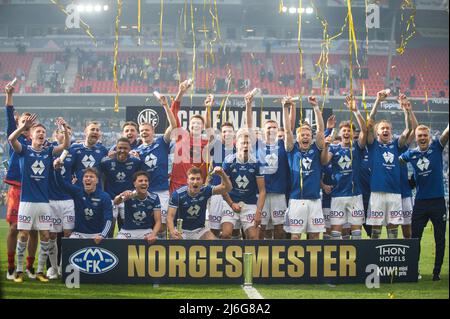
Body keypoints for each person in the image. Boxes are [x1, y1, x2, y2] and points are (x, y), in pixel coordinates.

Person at [8, 114, 70, 283]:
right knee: (23, 234)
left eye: (43, 132)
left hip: (44, 202)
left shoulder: (48, 151)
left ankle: (41, 271)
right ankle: (19, 271)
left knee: (44, 235)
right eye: (38, 131)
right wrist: (23, 127)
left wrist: (64, 127)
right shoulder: (24, 150)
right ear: (32, 135)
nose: (41, 134)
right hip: (27, 201)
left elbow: (65, 145)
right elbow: (11, 139)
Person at [400, 124, 449, 281]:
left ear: (429, 137)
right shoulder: (410, 154)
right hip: (420, 202)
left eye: (424, 135)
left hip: (438, 202)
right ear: (415, 137)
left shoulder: (437, 147)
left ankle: (436, 273)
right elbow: (397, 162)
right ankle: (414, 270)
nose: (422, 138)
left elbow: (446, 132)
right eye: (419, 135)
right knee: (415, 239)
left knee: (440, 238)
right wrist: (410, 180)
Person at [366, 91, 415, 239]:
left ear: (391, 131)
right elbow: (370, 122)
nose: (386, 130)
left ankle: (389, 260)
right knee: (376, 231)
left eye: (388, 128)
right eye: (383, 128)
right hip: (377, 193)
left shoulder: (396, 145)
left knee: (393, 231)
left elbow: (408, 130)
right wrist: (377, 101)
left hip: (395, 193)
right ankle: (375, 257)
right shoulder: (373, 145)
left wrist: (406, 111)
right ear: (377, 132)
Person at [3, 83, 38, 280]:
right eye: (23, 121)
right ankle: (10, 266)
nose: (26, 124)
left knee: (33, 230)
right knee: (15, 228)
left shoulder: (37, 142)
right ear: (18, 124)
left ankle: (30, 266)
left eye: (29, 122)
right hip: (17, 188)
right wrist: (9, 95)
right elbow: (9, 114)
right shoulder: (14, 138)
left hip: (34, 188)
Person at [321, 95, 367, 240]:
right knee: (335, 233)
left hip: (355, 195)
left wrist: (356, 111)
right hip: (338, 195)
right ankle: (336, 261)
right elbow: (323, 162)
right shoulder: (334, 149)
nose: (346, 133)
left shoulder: (358, 148)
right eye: (344, 131)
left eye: (349, 131)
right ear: (340, 134)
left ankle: (358, 259)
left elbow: (365, 130)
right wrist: (326, 145)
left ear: (353, 134)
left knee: (356, 233)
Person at [245, 92, 289, 239]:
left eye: (274, 127)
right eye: (268, 127)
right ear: (263, 130)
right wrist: (248, 104)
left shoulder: (283, 144)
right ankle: (261, 257)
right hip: (260, 194)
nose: (271, 129)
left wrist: (286, 108)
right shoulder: (257, 144)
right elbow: (249, 127)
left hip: (278, 193)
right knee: (261, 229)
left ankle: (278, 259)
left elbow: (289, 128)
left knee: (279, 230)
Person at [283, 96, 326, 240]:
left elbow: (320, 130)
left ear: (311, 137)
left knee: (314, 237)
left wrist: (315, 107)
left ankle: (312, 263)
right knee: (295, 237)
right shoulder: (292, 149)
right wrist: (285, 108)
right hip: (296, 200)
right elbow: (287, 130)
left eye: (308, 135)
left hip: (314, 199)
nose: (305, 137)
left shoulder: (316, 148)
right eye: (302, 135)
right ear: (298, 137)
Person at [136, 93, 177, 239]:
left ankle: (162, 255)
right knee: (148, 225)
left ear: (153, 131)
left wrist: (165, 105)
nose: (144, 132)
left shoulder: (162, 142)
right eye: (141, 131)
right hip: (145, 192)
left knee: (163, 226)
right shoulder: (137, 152)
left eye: (147, 130)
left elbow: (174, 125)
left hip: (162, 191)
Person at [169, 80, 215, 194]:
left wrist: (208, 109)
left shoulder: (206, 142)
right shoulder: (181, 136)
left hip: (197, 188)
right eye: (193, 123)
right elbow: (173, 113)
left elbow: (210, 129)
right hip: (178, 185)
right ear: (189, 125)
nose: (196, 125)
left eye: (199, 123)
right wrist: (180, 92)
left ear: (203, 127)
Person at [221, 128, 266, 240]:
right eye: (243, 143)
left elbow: (262, 191)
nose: (245, 145)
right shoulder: (228, 162)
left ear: (251, 146)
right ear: (237, 145)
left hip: (249, 204)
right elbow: (223, 188)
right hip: (231, 202)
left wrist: (258, 212)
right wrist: (231, 204)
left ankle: (249, 257)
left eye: (248, 143)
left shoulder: (256, 163)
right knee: (226, 234)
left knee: (254, 237)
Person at [167, 166, 232, 240]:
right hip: (181, 231)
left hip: (200, 230)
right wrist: (172, 231)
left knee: (214, 243)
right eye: (192, 179)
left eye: (198, 179)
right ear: (187, 181)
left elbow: (227, 188)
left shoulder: (206, 190)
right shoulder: (177, 194)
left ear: (202, 181)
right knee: (176, 241)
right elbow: (170, 216)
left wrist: (222, 174)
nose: (195, 182)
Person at [53, 162, 113, 242]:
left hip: (97, 234)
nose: (88, 178)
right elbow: (62, 184)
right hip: (79, 234)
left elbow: (108, 219)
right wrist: (57, 170)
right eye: (86, 176)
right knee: (69, 244)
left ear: (97, 181)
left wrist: (103, 235)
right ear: (82, 180)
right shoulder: (77, 192)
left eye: (91, 177)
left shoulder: (105, 196)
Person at [46, 124, 75, 279]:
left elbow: (78, 170)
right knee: (52, 235)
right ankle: (52, 268)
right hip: (51, 198)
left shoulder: (73, 151)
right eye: (63, 133)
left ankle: (64, 265)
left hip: (68, 199)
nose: (66, 135)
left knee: (67, 234)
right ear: (55, 136)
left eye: (68, 133)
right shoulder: (48, 151)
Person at [99, 138, 142, 237]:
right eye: (120, 148)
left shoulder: (136, 162)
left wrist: (133, 193)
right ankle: (108, 248)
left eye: (125, 148)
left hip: (127, 198)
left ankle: (123, 250)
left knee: (125, 228)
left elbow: (140, 179)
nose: (122, 150)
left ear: (130, 149)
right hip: (111, 198)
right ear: (116, 148)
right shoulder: (106, 163)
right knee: (109, 227)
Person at [113, 171, 161, 242]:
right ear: (134, 184)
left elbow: (158, 221)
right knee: (118, 242)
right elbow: (116, 202)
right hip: (127, 231)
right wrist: (122, 195)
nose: (144, 183)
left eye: (146, 181)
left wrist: (153, 235)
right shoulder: (129, 194)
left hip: (146, 231)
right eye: (140, 181)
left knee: (157, 242)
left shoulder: (154, 197)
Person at [207, 122, 236, 238]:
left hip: (231, 194)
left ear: (234, 134)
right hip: (217, 193)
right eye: (224, 131)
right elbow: (208, 129)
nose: (227, 134)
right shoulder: (217, 146)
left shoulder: (238, 149)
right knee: (214, 229)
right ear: (221, 134)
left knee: (231, 232)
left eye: (229, 131)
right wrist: (208, 108)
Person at [69, 121, 108, 187]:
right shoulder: (74, 148)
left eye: (97, 130)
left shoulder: (103, 150)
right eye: (92, 129)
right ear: (85, 132)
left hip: (96, 191)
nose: (95, 132)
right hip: (78, 191)